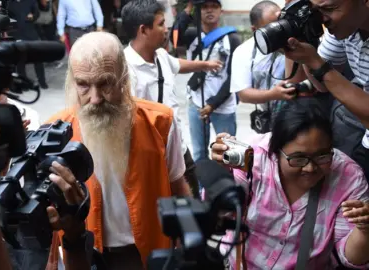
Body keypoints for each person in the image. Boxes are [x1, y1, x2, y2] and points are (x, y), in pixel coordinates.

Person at [45, 31, 191, 270]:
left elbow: (178, 187)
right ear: (72, 82)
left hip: (148, 256)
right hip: (84, 257)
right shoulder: (54, 132)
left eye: (105, 83)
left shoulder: (161, 122)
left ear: (124, 77)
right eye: (83, 84)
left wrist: (189, 246)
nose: (95, 98)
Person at [211, 98, 369, 269]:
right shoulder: (253, 157)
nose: (309, 168)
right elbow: (221, 215)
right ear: (275, 152)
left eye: (322, 156)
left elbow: (352, 258)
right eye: (298, 158)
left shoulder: (349, 177)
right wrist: (221, 175)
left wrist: (365, 231)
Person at [122, 0, 223, 197]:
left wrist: (204, 65)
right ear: (143, 30)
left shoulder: (160, 55)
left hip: (179, 148)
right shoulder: (126, 70)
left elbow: (177, 64)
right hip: (151, 156)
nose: (166, 29)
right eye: (161, 24)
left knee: (193, 204)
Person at [282, 0, 369, 180]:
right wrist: (305, 46)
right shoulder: (346, 28)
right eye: (316, 10)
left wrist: (316, 63)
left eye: (329, 8)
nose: (322, 18)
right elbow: (322, 84)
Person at [176, 0, 242, 162]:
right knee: (199, 154)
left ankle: (227, 186)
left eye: (214, 7)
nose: (209, 11)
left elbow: (234, 77)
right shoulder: (192, 35)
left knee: (228, 153)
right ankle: (201, 187)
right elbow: (175, 36)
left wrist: (213, 104)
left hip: (223, 106)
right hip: (196, 103)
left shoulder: (232, 38)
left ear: (221, 11)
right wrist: (190, 7)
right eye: (204, 7)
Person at [230, 1, 294, 133]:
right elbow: (243, 94)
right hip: (270, 118)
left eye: (280, 23)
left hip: (299, 113)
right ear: (255, 30)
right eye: (271, 28)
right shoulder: (243, 51)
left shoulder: (294, 42)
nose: (278, 31)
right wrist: (273, 94)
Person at [7, 0, 49, 90]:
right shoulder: (9, 4)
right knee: (20, 61)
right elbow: (6, 18)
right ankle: (24, 83)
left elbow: (37, 14)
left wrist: (32, 17)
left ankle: (42, 81)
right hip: (17, 34)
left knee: (38, 59)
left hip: (31, 33)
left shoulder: (30, 1)